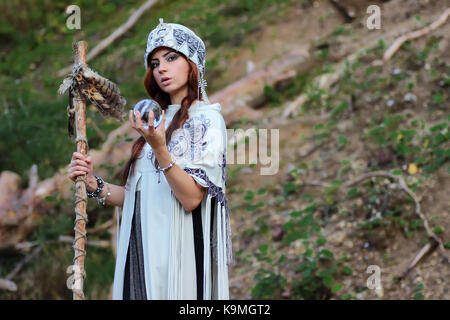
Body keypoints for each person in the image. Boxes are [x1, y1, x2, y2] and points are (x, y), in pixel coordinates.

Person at [67, 18, 233, 300]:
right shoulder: (154, 120)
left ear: (192, 62)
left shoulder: (209, 120)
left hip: (180, 259)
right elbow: (138, 196)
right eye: (154, 63)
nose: (161, 69)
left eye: (170, 57)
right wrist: (93, 184)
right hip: (141, 252)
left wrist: (160, 149)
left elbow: (192, 198)